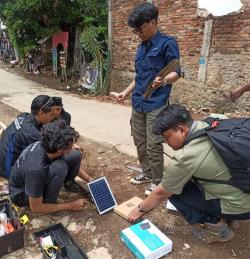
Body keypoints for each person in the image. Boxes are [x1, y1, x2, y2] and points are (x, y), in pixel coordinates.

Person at [128, 104, 250, 243]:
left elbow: (161, 193)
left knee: (175, 191)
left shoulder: (185, 157)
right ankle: (231, 217)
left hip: (242, 206)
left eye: (166, 137)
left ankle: (217, 229)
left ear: (181, 129)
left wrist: (140, 209)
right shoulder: (215, 120)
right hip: (244, 188)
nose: (166, 142)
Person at [116, 3, 181, 196]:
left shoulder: (168, 43)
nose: (138, 33)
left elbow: (176, 72)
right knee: (140, 141)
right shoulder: (141, 48)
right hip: (138, 102)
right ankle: (146, 173)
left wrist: (163, 81)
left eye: (140, 28)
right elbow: (139, 77)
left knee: (153, 143)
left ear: (153, 22)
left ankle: (157, 180)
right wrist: (124, 93)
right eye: (135, 30)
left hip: (156, 103)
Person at [9, 120, 91, 213]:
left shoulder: (49, 145)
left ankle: (66, 183)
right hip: (22, 194)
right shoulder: (36, 170)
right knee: (60, 167)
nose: (73, 146)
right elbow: (36, 208)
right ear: (60, 149)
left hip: (33, 179)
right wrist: (71, 206)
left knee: (75, 154)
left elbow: (67, 154)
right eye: (70, 145)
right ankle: (49, 200)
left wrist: (89, 179)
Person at [0, 95, 55, 179]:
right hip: (8, 172)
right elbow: (53, 151)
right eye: (51, 115)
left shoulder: (23, 116)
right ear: (41, 113)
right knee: (59, 166)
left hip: (2, 163)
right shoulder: (32, 134)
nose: (52, 118)